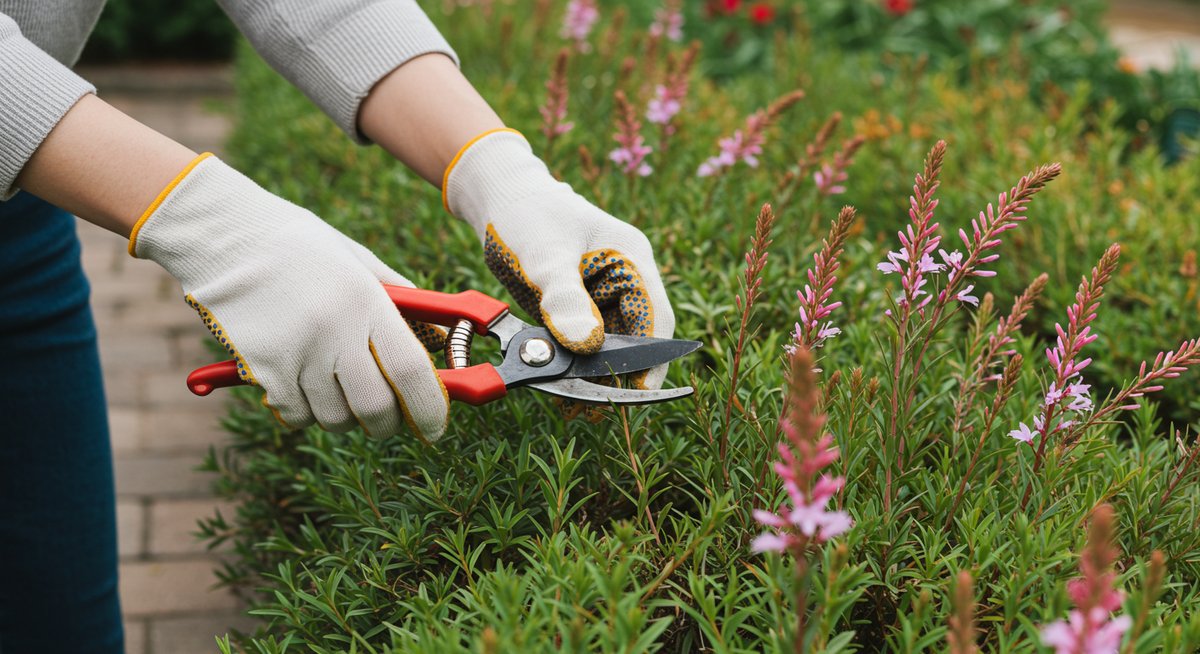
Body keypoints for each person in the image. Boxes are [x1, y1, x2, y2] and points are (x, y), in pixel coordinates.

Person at [0, 1, 675, 650]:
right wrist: (205, 219)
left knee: (61, 623)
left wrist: (497, 171)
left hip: (22, 212)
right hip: (36, 162)